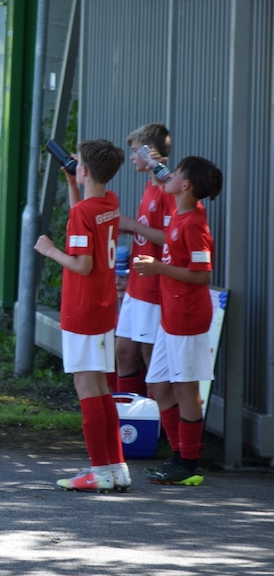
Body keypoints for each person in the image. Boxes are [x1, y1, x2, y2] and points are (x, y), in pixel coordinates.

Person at [34, 139, 128, 492]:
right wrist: (74, 184)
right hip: (103, 308)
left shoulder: (83, 213)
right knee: (101, 387)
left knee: (86, 387)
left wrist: (49, 250)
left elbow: (82, 264)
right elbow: (84, 218)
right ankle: (116, 467)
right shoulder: (109, 202)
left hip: (82, 309)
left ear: (85, 169)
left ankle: (99, 470)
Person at [133, 156, 222, 486]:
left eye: (176, 173)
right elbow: (164, 179)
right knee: (158, 386)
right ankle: (178, 455)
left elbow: (202, 275)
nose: (168, 176)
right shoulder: (180, 209)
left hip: (187, 318)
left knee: (186, 389)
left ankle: (188, 462)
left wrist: (158, 268)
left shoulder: (194, 223)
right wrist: (152, 165)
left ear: (185, 185)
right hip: (170, 318)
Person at [116, 123, 175, 396]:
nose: (131, 157)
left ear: (149, 152)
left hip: (154, 288)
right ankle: (128, 414)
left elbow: (171, 239)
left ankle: (159, 415)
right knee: (124, 352)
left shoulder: (167, 189)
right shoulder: (151, 186)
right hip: (137, 285)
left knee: (152, 357)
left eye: (135, 150)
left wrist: (132, 225)